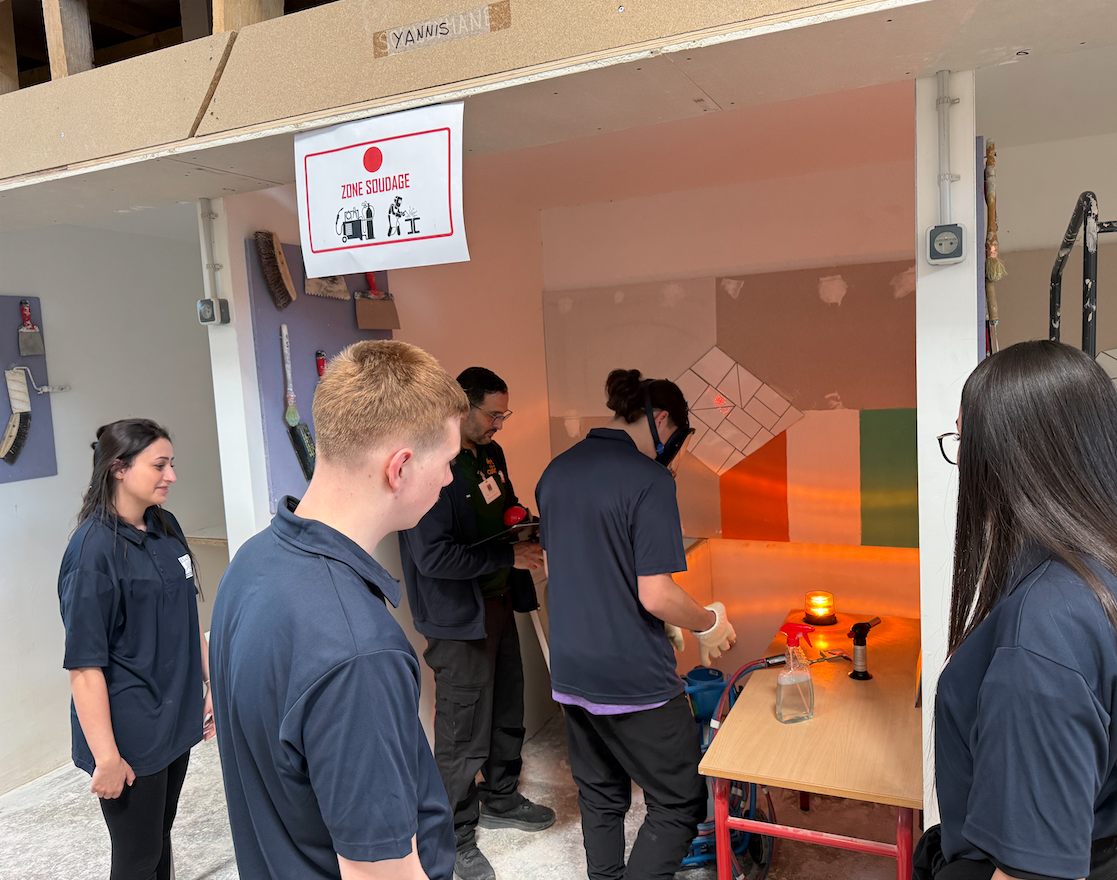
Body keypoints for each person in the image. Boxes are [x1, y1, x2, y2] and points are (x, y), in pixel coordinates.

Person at [210, 341, 466, 880]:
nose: (449, 479)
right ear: (400, 467)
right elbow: (379, 872)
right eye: (447, 462)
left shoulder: (252, 562)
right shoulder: (359, 652)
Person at [921, 340, 1117, 880]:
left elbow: (1031, 869)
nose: (963, 463)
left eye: (966, 440)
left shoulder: (1044, 628)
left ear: (1010, 455)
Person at [535, 369, 737, 880]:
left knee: (601, 795)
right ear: (662, 420)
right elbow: (657, 593)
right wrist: (706, 622)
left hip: (570, 669)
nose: (674, 452)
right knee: (679, 800)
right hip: (631, 677)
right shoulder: (649, 480)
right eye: (678, 440)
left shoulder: (555, 472)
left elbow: (561, 572)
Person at [399, 367, 553, 880]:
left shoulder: (490, 454)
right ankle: (453, 836)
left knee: (508, 704)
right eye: (494, 415)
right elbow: (433, 558)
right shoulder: (430, 466)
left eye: (504, 415)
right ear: (462, 407)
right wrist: (508, 557)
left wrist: (522, 521)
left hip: (499, 602)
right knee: (461, 730)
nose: (499, 425)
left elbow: (503, 505)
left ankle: (501, 797)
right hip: (457, 617)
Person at [58, 418, 214, 880]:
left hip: (175, 717)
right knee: (138, 857)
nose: (172, 476)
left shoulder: (165, 526)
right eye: (160, 465)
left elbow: (188, 618)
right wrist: (107, 757)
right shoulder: (92, 552)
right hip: (129, 733)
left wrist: (211, 684)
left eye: (172, 464)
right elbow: (84, 666)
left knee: (159, 840)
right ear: (119, 468)